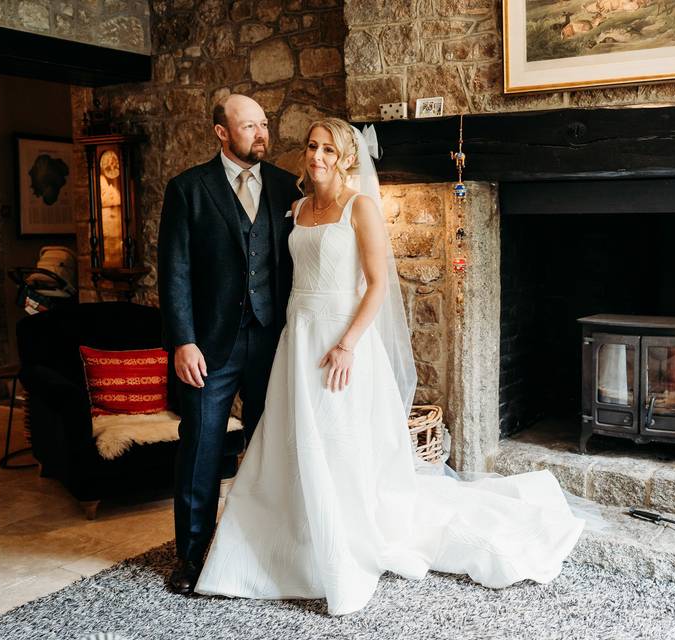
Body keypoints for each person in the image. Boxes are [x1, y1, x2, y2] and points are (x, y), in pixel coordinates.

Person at [195, 118, 586, 615]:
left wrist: (347, 346)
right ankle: (278, 547)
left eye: (329, 151)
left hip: (342, 341)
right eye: (312, 147)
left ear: (347, 158)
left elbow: (379, 285)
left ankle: (340, 548)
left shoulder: (360, 208)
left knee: (338, 442)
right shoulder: (295, 209)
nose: (317, 157)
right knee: (288, 442)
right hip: (299, 337)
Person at [157, 94, 302, 595]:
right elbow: (174, 271)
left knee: (271, 448)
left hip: (273, 342)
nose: (262, 134)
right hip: (209, 348)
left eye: (264, 124)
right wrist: (183, 342)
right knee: (200, 448)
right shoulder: (188, 189)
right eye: (249, 126)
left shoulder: (288, 187)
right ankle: (192, 558)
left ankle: (264, 546)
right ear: (221, 132)